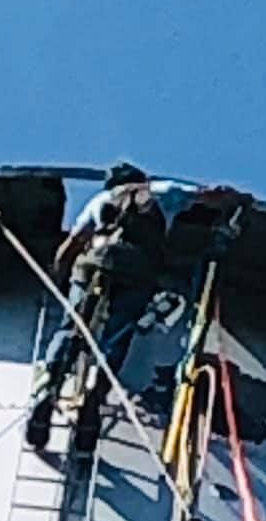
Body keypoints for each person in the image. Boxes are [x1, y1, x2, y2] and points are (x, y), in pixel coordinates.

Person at [26, 162, 244, 449]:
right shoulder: (163, 191)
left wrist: (57, 278)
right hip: (136, 270)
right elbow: (210, 195)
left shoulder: (102, 200)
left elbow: (72, 244)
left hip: (94, 264)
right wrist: (236, 200)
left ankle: (48, 387)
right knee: (116, 337)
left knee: (73, 328)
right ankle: (95, 396)